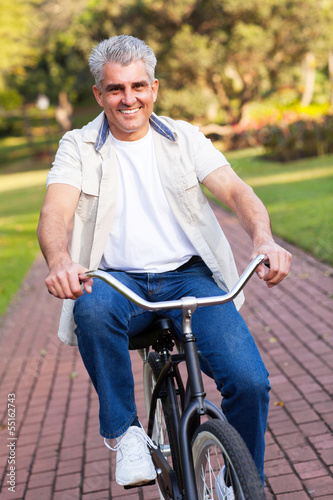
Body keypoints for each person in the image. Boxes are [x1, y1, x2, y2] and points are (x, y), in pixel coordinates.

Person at [37, 35, 291, 492]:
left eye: (138, 86)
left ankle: (242, 481)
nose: (128, 98)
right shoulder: (78, 146)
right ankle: (126, 434)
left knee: (249, 381)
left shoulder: (184, 138)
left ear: (154, 88)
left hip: (189, 279)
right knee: (90, 309)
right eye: (116, 89)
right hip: (118, 283)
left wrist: (263, 238)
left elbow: (236, 191)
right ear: (99, 94)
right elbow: (54, 212)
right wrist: (59, 260)